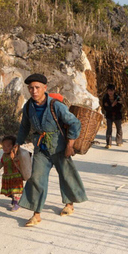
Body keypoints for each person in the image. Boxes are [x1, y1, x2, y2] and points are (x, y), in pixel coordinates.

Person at [12, 73, 88, 227]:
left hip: (60, 147)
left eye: (37, 88)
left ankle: (69, 204)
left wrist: (70, 145)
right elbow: (24, 127)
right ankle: (36, 214)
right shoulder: (28, 107)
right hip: (41, 149)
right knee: (36, 179)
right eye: (31, 88)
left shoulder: (55, 105)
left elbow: (75, 123)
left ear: (45, 88)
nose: (34, 91)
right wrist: (17, 143)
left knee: (67, 175)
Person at [0, 135, 23, 211]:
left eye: (8, 146)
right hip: (7, 176)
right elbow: (1, 163)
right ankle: (15, 200)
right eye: (4, 146)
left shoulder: (15, 155)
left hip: (15, 177)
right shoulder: (4, 155)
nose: (5, 148)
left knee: (15, 191)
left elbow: (20, 162)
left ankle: (16, 203)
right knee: (9, 191)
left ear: (13, 146)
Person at [102, 84, 123, 148]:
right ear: (107, 91)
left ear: (114, 91)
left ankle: (119, 141)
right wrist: (112, 106)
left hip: (117, 115)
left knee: (119, 128)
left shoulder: (118, 98)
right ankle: (108, 143)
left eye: (112, 91)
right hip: (109, 115)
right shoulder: (105, 98)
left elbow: (120, 107)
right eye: (109, 91)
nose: (110, 92)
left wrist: (111, 107)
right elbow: (105, 108)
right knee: (109, 129)